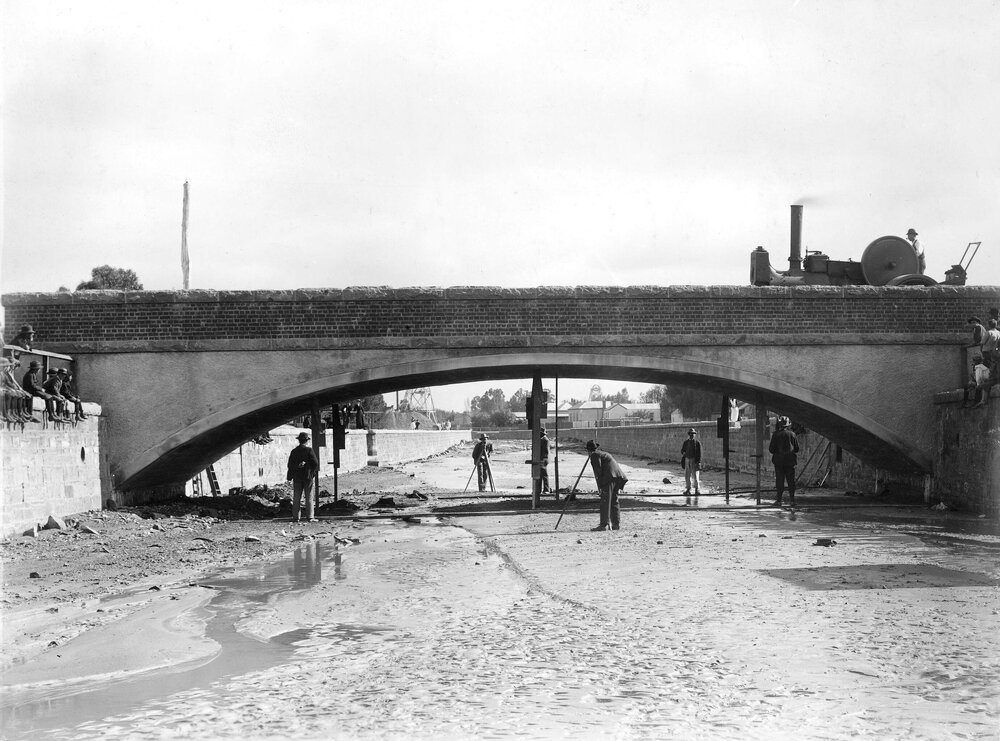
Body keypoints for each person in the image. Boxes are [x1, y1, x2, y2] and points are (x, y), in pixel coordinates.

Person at [586, 440, 628, 531]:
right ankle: (616, 525)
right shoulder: (603, 453)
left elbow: (598, 472)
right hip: (618, 477)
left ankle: (604, 525)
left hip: (609, 478)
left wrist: (600, 487)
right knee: (614, 500)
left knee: (605, 501)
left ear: (588, 451)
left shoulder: (594, 455)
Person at [286, 431, 319, 522]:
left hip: (297, 477)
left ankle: (296, 517)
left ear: (299, 441)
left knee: (296, 497)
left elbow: (290, 465)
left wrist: (296, 467)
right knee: (308, 496)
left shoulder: (294, 451)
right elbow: (315, 463)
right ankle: (310, 517)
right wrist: (311, 472)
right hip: (307, 477)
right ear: (306, 441)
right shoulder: (309, 450)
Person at [768, 416, 800, 507]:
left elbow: (771, 449)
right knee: (791, 481)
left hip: (778, 462)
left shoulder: (775, 435)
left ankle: (779, 500)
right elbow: (797, 449)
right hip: (790, 462)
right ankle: (792, 500)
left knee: (779, 481)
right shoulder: (792, 434)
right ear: (788, 425)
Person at [680, 428, 702, 496]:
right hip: (687, 460)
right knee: (687, 475)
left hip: (694, 460)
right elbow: (682, 450)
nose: (691, 435)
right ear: (689, 434)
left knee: (695, 476)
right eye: (690, 434)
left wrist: (698, 462)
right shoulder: (686, 442)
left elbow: (700, 453)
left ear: (694, 435)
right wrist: (683, 453)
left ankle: (697, 489)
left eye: (693, 434)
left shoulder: (697, 443)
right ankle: (688, 489)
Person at [539, 427, 551, 494]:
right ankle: (540, 489)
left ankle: (546, 489)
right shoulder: (542, 439)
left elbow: (546, 451)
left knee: (544, 475)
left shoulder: (545, 440)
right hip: (543, 458)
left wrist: (543, 459)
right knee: (540, 475)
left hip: (543, 459)